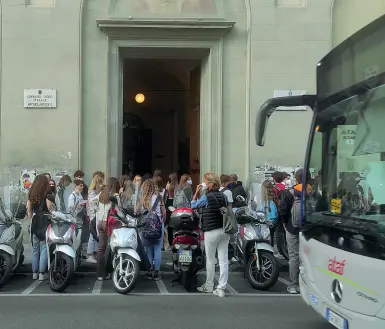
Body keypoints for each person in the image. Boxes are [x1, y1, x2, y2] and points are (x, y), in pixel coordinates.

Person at [192, 172, 230, 298]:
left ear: (209, 184)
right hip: (224, 230)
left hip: (211, 231)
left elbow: (193, 206)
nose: (203, 184)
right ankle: (221, 288)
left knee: (210, 259)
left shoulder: (206, 197)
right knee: (223, 260)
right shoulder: (224, 196)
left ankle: (209, 285)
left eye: (205, 182)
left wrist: (197, 192)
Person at [279, 168, 311, 294]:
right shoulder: (312, 192)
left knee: (294, 257)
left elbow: (283, 210)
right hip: (308, 231)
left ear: (296, 178)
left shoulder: (290, 192)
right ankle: (308, 283)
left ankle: (293, 285)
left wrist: (286, 224)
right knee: (308, 257)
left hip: (292, 228)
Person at [136, 179, 166, 281]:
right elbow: (164, 212)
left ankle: (149, 271)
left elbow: (136, 211)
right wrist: (162, 222)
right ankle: (156, 272)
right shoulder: (159, 198)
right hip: (158, 225)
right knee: (157, 249)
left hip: (146, 227)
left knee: (148, 249)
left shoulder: (142, 199)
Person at [27, 174, 55, 281]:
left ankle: (34, 273)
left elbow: (29, 210)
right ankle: (42, 274)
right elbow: (49, 208)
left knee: (35, 249)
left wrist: (32, 219)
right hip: (44, 221)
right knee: (44, 248)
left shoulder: (31, 193)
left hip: (35, 221)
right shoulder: (48, 194)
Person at [96, 177, 120, 281]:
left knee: (101, 249)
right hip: (109, 223)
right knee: (110, 249)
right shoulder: (115, 196)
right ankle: (109, 271)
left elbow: (92, 203)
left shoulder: (101, 194)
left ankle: (100, 274)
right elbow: (118, 211)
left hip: (100, 222)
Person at [86, 173, 104, 264]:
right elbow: (93, 203)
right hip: (94, 215)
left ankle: (94, 253)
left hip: (95, 215)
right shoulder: (93, 192)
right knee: (92, 235)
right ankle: (90, 254)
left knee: (95, 234)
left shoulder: (93, 191)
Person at [165, 173, 178, 246]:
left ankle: (170, 240)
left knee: (169, 223)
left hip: (169, 201)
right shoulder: (178, 186)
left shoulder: (168, 185)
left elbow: (166, 192)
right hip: (175, 202)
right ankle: (176, 239)